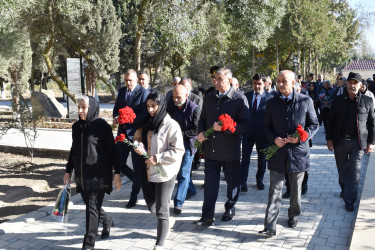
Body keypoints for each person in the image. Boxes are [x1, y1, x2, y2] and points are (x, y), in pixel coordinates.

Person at [258, 70, 319, 237]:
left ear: (293, 83)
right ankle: (270, 226)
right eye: (278, 81)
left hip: (297, 153)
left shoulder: (305, 101)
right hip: (277, 152)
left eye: (284, 81)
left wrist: (301, 137)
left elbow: (314, 125)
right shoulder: (271, 103)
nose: (281, 84)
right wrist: (274, 139)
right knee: (275, 189)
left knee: (295, 190)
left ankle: (293, 215)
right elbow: (266, 127)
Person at [64, 95, 122, 249]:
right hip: (82, 175)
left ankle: (89, 243)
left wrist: (117, 173)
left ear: (92, 108)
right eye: (79, 107)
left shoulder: (102, 126)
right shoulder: (76, 127)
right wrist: (68, 170)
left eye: (84, 107)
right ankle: (107, 220)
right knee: (92, 206)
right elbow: (74, 149)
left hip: (99, 174)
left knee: (91, 208)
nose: (81, 111)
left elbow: (112, 151)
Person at [194, 68, 251, 226]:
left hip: (230, 149)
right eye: (214, 78)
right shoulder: (210, 97)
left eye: (219, 79)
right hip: (211, 148)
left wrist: (227, 127)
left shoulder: (239, 99)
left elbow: (246, 125)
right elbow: (202, 119)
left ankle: (230, 207)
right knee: (210, 184)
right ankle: (207, 215)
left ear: (229, 80)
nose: (215, 81)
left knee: (232, 182)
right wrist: (201, 132)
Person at [133, 92, 184, 250]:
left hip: (165, 171)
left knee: (162, 209)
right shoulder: (145, 122)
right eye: (148, 106)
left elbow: (178, 150)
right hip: (148, 170)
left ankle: (159, 244)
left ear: (161, 105)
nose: (151, 109)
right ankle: (168, 221)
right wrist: (137, 146)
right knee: (151, 205)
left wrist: (158, 157)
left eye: (153, 106)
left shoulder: (171, 125)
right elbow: (136, 139)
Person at [326, 72, 375, 212]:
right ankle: (345, 188)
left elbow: (372, 123)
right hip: (340, 142)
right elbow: (331, 121)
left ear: (361, 86)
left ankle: (349, 199)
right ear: (346, 84)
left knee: (354, 172)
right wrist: (329, 139)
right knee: (342, 170)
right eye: (350, 82)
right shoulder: (338, 100)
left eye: (355, 83)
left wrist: (371, 142)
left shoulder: (367, 101)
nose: (352, 85)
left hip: (358, 143)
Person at [113, 69, 149, 208]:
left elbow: (145, 114)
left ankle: (133, 197)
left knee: (138, 166)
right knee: (119, 163)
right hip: (122, 134)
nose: (128, 83)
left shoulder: (143, 93)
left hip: (136, 135)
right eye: (126, 80)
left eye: (130, 80)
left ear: (136, 80)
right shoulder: (122, 91)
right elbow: (116, 108)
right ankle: (136, 180)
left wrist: (130, 117)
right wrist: (117, 116)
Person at [167, 85, 200, 214]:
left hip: (188, 144)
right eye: (174, 97)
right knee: (181, 172)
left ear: (186, 96)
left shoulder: (194, 109)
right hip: (174, 144)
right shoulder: (171, 107)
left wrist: (180, 135)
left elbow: (196, 130)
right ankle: (191, 190)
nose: (176, 100)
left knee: (183, 174)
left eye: (178, 97)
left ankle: (178, 203)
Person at [241, 73, 271, 192]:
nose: (257, 86)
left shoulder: (270, 98)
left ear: (264, 84)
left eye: (259, 84)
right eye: (255, 83)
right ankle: (242, 182)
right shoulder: (246, 96)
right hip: (247, 133)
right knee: (245, 159)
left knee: (262, 159)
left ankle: (260, 180)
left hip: (262, 134)